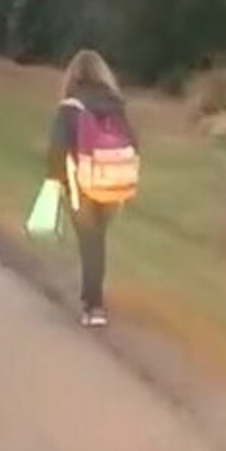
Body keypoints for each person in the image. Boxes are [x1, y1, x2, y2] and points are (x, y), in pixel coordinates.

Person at [47, 49, 139, 328]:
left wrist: (56, 182)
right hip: (115, 183)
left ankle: (93, 305)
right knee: (97, 240)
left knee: (90, 242)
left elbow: (57, 149)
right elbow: (134, 144)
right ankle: (92, 293)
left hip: (81, 185)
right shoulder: (115, 105)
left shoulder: (70, 107)